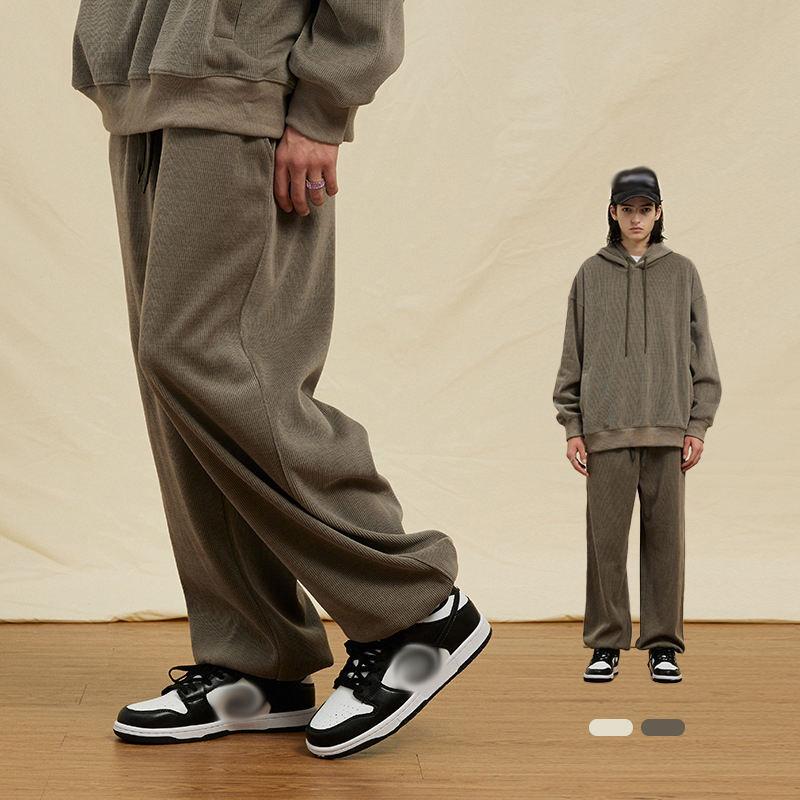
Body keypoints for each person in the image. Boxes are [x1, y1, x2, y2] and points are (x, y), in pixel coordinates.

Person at [71, 0, 491, 759]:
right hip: (148, 83)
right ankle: (255, 659)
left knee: (209, 359)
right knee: (176, 385)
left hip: (241, 83)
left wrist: (321, 109)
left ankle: (413, 609)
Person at [552, 166, 721, 684]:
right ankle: (606, 645)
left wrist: (697, 424)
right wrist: (573, 425)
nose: (636, 219)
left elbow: (702, 353)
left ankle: (663, 645)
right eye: (627, 209)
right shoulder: (589, 274)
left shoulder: (683, 273)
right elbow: (573, 352)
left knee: (666, 544)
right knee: (605, 545)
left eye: (645, 209)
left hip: (668, 430)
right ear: (613, 212)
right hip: (605, 432)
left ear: (658, 212)